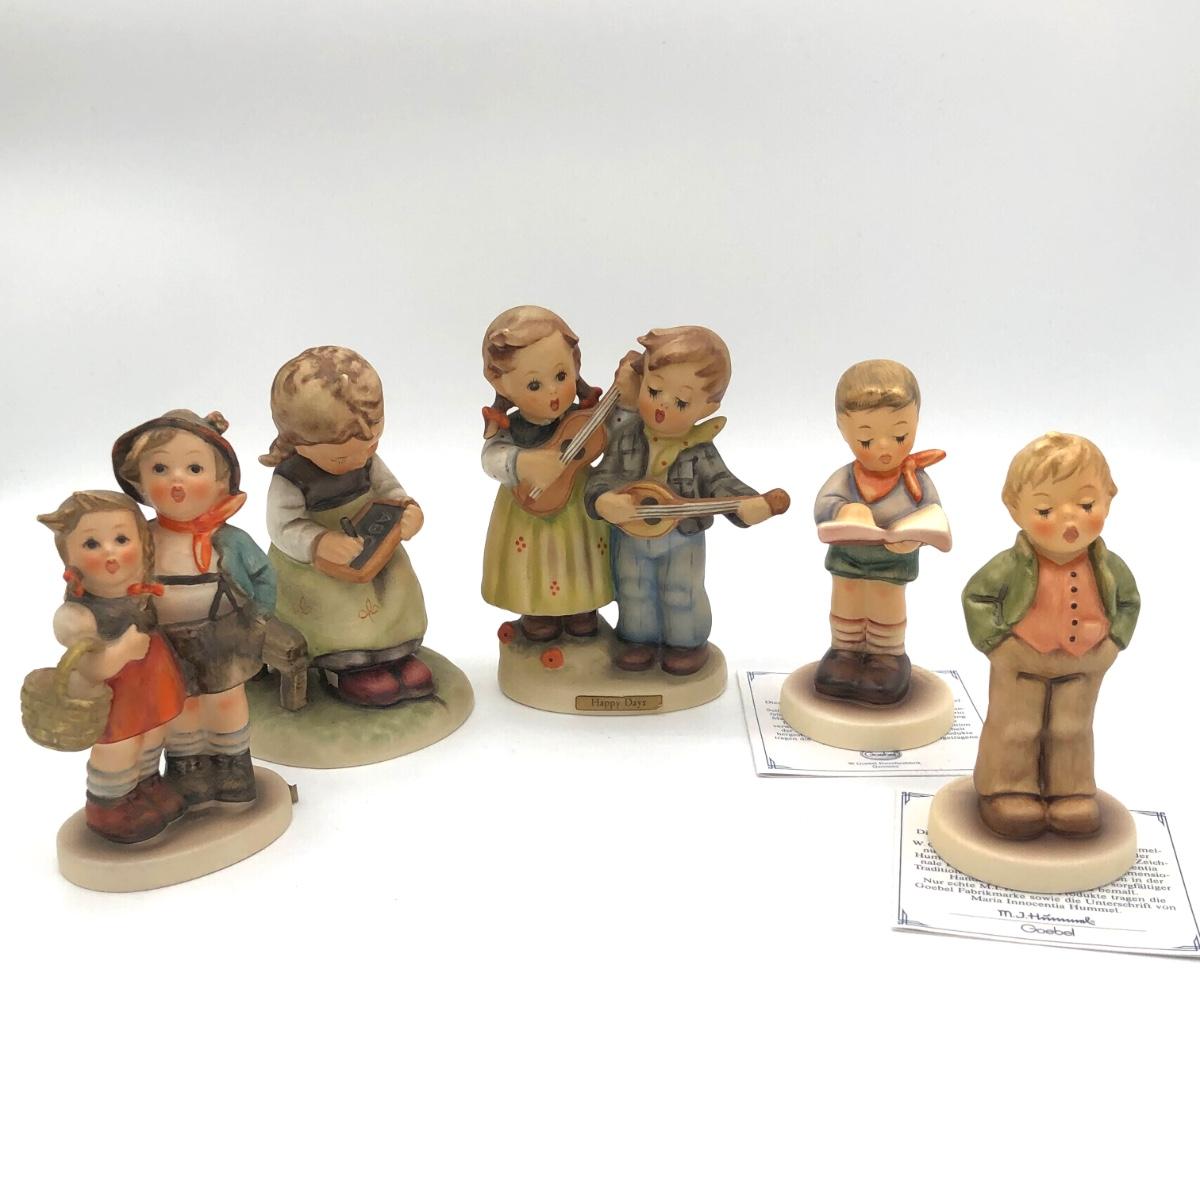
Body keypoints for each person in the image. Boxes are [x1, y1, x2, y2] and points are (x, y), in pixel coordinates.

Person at [963, 432, 1140, 838]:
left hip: (1084, 663)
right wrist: (1000, 645)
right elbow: (977, 598)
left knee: (1072, 728)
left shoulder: (1108, 567)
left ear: (1109, 499)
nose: (1069, 520)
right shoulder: (1011, 565)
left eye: (1086, 505)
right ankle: (1006, 788)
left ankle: (1070, 791)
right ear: (1015, 509)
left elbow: (1129, 603)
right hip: (1021, 662)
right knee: (1016, 725)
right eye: (1045, 509)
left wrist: (1113, 643)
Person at [585, 325, 776, 675]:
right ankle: (637, 640)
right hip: (630, 536)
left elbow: (721, 482)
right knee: (632, 588)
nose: (662, 405)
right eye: (654, 390)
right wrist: (603, 500)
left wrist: (747, 504)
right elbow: (603, 475)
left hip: (682, 538)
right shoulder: (627, 437)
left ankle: (685, 644)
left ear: (709, 407)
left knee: (681, 591)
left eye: (681, 402)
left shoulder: (699, 450)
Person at [113, 410, 275, 806]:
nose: (177, 480)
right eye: (160, 468)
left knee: (226, 699)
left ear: (221, 483)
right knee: (180, 704)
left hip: (223, 633)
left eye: (194, 468)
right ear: (139, 482)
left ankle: (233, 761)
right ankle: (188, 765)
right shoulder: (140, 540)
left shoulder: (231, 540)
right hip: (166, 642)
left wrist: (259, 618)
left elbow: (264, 576)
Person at [262, 346, 431, 708]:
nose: (360, 459)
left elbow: (389, 489)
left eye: (372, 445)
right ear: (297, 442)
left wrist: (408, 509)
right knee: (339, 605)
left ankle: (397, 654)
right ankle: (347, 667)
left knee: (396, 584)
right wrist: (319, 541)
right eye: (342, 456)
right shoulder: (291, 479)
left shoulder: (366, 459)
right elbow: (282, 526)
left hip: (374, 548)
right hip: (316, 568)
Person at [38, 490, 187, 842]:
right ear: (68, 555)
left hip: (152, 678)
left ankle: (147, 782)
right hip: (118, 693)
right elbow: (89, 667)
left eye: (121, 539)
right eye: (92, 544)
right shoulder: (80, 615)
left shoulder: (144, 593)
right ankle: (109, 803)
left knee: (155, 734)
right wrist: (120, 652)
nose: (110, 552)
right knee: (120, 746)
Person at [812, 360, 948, 704]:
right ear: (843, 429)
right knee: (846, 599)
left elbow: (932, 512)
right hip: (847, 559)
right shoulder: (846, 478)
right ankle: (844, 651)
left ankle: (886, 657)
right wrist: (844, 511)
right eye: (866, 439)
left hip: (893, 563)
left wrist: (917, 534)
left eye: (900, 436)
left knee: (886, 603)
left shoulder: (917, 481)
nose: (885, 448)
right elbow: (823, 505)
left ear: (917, 421)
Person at [480, 305, 613, 642]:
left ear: (575, 365)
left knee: (578, 556)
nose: (553, 391)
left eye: (561, 376)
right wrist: (523, 463)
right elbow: (491, 458)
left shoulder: (584, 419)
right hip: (526, 510)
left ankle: (582, 609)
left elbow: (618, 429)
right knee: (536, 563)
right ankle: (538, 614)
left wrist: (626, 388)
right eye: (534, 384)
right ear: (500, 381)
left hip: (579, 507)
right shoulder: (509, 425)